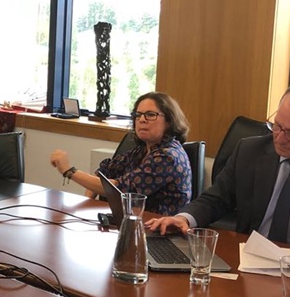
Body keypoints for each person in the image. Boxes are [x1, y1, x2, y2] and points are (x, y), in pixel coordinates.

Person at [147, 84, 290, 282]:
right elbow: (216, 198)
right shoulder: (250, 150)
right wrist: (184, 218)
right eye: (277, 125)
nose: (279, 138)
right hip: (249, 266)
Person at [50, 92, 193, 215]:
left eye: (150, 115)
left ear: (169, 121)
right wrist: (87, 202)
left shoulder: (168, 156)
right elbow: (104, 172)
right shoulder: (142, 149)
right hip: (132, 221)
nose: (142, 120)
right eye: (138, 115)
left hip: (158, 230)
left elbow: (119, 189)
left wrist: (69, 171)